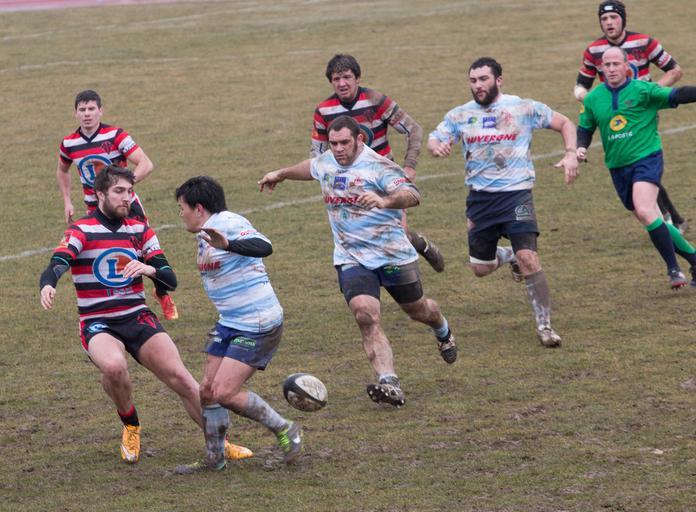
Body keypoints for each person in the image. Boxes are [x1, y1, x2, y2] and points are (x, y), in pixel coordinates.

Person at [39, 166, 251, 465]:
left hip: (137, 317)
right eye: (119, 191)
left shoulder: (139, 230)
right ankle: (131, 425)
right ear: (100, 194)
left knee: (182, 379)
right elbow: (58, 261)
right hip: (98, 322)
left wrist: (150, 269)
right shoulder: (81, 230)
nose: (127, 197)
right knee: (114, 367)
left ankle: (220, 443)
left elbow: (169, 279)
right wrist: (48, 283)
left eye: (130, 191)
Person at [259, 115, 456, 408]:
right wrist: (282, 173)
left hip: (391, 254)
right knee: (365, 315)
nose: (338, 149)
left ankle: (442, 330)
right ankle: (389, 382)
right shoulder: (328, 161)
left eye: (344, 143)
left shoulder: (379, 166)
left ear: (359, 139)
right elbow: (312, 167)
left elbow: (413, 194)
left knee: (419, 310)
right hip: (351, 257)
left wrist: (385, 201)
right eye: (333, 143)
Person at [428, 57, 578, 348]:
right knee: (480, 268)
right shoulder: (460, 115)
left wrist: (571, 153)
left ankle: (545, 326)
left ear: (498, 80)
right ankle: (509, 256)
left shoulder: (523, 108)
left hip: (516, 194)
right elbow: (435, 139)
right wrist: (438, 147)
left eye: (483, 79)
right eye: (473, 81)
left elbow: (564, 123)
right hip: (480, 200)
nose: (478, 85)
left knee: (529, 257)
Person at [173, 176, 302, 473]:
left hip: (257, 323)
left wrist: (229, 244)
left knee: (224, 392)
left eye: (182, 208)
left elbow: (264, 246)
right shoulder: (205, 233)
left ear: (199, 208)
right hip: (230, 321)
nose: (180, 214)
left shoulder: (228, 223)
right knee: (207, 391)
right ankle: (214, 458)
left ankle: (286, 429)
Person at [277, 54, 445, 272]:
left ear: (357, 78)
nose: (342, 83)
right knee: (356, 238)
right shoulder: (324, 111)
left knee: (399, 234)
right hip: (348, 186)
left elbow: (413, 129)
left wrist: (409, 165)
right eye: (336, 79)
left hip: (383, 181)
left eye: (347, 77)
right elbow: (316, 155)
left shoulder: (376, 101)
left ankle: (419, 246)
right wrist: (325, 175)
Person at [577, 47, 696, 289]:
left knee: (644, 209)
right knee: (651, 218)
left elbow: (677, 94)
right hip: (617, 167)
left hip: (647, 158)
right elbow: (585, 127)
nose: (611, 69)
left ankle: (674, 270)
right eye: (606, 65)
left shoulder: (643, 90)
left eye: (615, 64)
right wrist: (580, 147)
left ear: (626, 66)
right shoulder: (593, 98)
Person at [56, 89, 179, 320]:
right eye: (82, 109)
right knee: (107, 254)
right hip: (96, 212)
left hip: (128, 208)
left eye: (91, 109)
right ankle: (114, 303)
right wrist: (67, 201)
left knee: (145, 253)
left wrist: (122, 188)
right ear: (75, 113)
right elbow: (62, 170)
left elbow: (146, 163)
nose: (87, 114)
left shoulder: (115, 135)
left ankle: (162, 293)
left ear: (100, 111)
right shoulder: (69, 143)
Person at [574, 0, 687, 233]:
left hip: (641, 112)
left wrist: (649, 94)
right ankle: (670, 219)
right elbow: (581, 86)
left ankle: (668, 220)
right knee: (639, 168)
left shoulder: (644, 42)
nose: (609, 22)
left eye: (613, 17)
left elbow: (675, 70)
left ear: (623, 19)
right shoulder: (594, 50)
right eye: (604, 19)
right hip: (615, 115)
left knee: (641, 162)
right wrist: (590, 99)